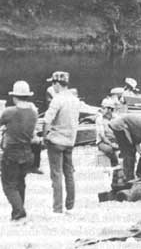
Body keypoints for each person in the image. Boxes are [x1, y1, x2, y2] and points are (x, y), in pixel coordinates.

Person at [42, 71, 80, 214]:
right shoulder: (75, 99)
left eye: (53, 83)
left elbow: (47, 120)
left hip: (56, 140)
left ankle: (57, 208)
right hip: (70, 141)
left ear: (57, 83)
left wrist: (45, 137)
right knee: (69, 173)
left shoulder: (57, 99)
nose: (52, 86)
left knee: (56, 174)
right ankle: (70, 206)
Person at [0, 81, 38, 221]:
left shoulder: (10, 112)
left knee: (9, 185)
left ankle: (19, 211)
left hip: (12, 153)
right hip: (27, 153)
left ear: (14, 96)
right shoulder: (33, 113)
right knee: (20, 182)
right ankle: (17, 214)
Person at [95, 98, 119, 167]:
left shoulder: (116, 118)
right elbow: (102, 136)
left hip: (115, 140)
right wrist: (111, 144)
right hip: (102, 142)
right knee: (109, 149)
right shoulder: (99, 119)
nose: (101, 110)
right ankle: (115, 166)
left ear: (109, 109)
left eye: (103, 108)